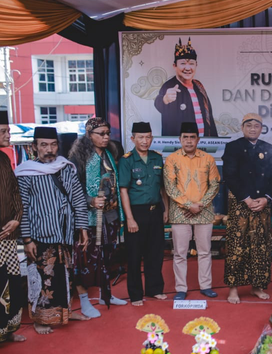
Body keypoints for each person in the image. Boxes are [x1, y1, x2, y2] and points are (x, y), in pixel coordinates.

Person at [16, 126, 90, 334]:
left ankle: (66, 312)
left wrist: (82, 227)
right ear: (34, 147)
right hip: (40, 235)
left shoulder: (65, 167)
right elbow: (23, 207)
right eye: (44, 145)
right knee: (42, 278)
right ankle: (41, 319)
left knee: (67, 275)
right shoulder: (26, 172)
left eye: (53, 144)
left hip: (65, 233)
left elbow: (78, 199)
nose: (49, 149)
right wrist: (27, 239)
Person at [69, 117, 127, 316]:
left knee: (107, 256)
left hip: (110, 215)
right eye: (100, 134)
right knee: (85, 260)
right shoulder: (78, 158)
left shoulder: (111, 154)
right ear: (89, 135)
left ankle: (105, 295)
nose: (105, 137)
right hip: (88, 219)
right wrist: (91, 201)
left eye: (107, 133)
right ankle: (85, 301)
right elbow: (72, 188)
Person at [223, 113, 272, 304]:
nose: (253, 128)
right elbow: (229, 176)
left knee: (260, 247)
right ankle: (233, 288)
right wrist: (247, 199)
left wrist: (266, 199)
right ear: (242, 127)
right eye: (249, 125)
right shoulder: (233, 147)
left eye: (257, 125)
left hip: (262, 206)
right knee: (237, 247)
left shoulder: (269, 149)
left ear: (261, 128)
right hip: (240, 205)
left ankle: (257, 286)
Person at [164, 122, 220, 301]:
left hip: (203, 212)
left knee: (205, 251)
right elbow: (169, 187)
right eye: (185, 137)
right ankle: (181, 288)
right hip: (180, 213)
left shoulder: (208, 159)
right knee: (180, 252)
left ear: (198, 139)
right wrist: (188, 205)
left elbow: (215, 185)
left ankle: (206, 286)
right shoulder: (172, 159)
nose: (188, 141)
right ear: (180, 139)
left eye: (192, 137)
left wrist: (200, 205)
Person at [118, 122, 169, 306]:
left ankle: (155, 289)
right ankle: (136, 294)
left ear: (152, 138)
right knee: (134, 255)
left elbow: (162, 188)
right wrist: (129, 218)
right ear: (133, 139)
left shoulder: (156, 158)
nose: (145, 141)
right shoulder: (127, 160)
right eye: (141, 137)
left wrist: (166, 209)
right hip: (136, 213)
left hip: (155, 211)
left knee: (155, 253)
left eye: (148, 137)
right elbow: (123, 190)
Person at [154, 38, 218, 137]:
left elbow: (209, 116)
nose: (188, 68)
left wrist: (214, 140)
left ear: (196, 65)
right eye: (183, 63)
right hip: (179, 147)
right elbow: (158, 103)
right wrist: (165, 99)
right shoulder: (169, 86)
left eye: (191, 64)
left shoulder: (199, 86)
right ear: (174, 66)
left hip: (204, 143)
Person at [0, 111, 24, 343]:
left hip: (7, 236)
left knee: (11, 282)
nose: (8, 134)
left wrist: (17, 218)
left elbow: (15, 193)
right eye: (3, 131)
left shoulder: (5, 159)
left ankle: (7, 331)